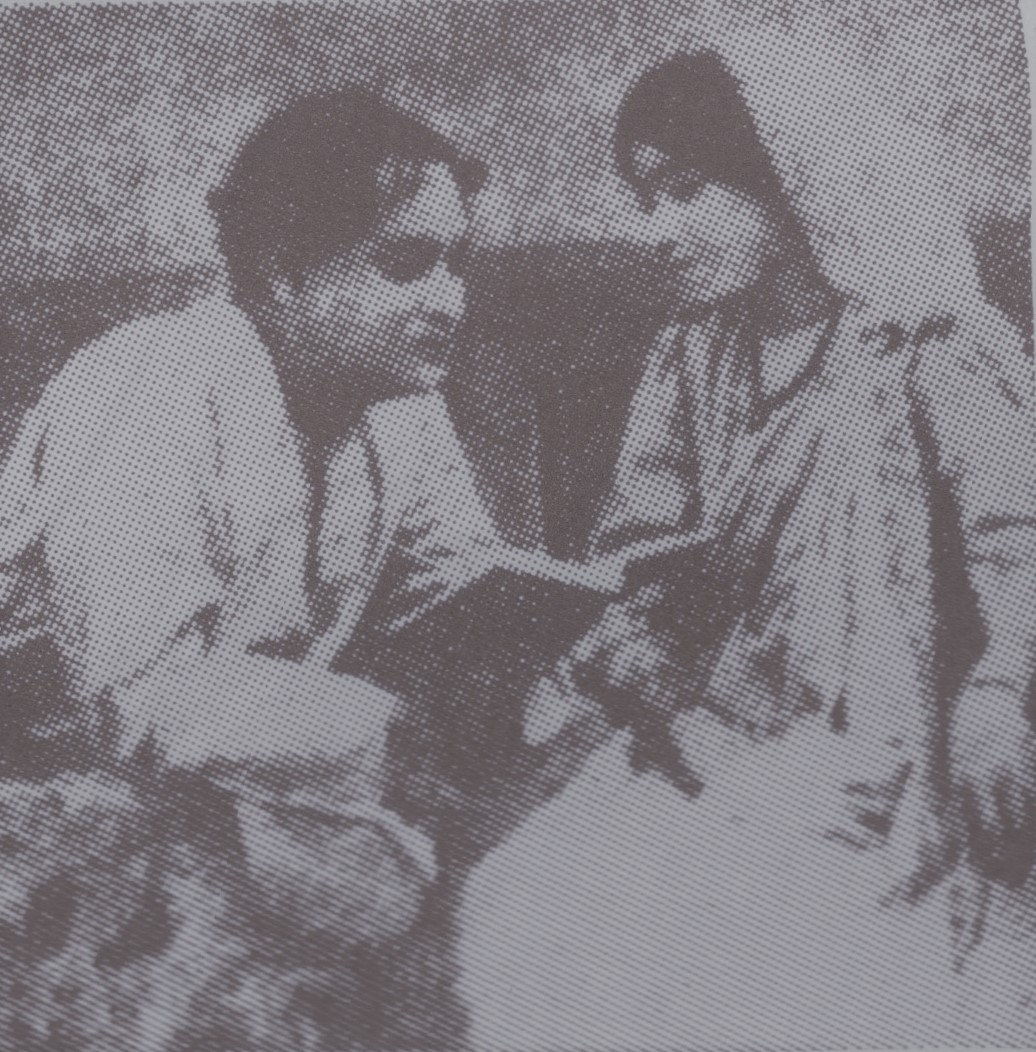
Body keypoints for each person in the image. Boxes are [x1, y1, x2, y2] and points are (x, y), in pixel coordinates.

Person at [458, 50, 1036, 1050]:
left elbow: (1016, 535)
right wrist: (626, 638)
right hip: (706, 725)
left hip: (880, 740)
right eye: (646, 198)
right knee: (523, 902)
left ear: (784, 180)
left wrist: (998, 693)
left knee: (746, 939)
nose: (659, 230)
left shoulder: (926, 340)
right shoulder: (692, 352)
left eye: (687, 190)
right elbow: (639, 544)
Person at [0, 86, 509, 1050]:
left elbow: (464, 591)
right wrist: (380, 727)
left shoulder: (400, 400)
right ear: (280, 272)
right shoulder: (148, 387)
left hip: (225, 800)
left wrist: (569, 638)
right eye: (406, 264)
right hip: (54, 813)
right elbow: (143, 699)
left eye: (457, 264)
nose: (449, 300)